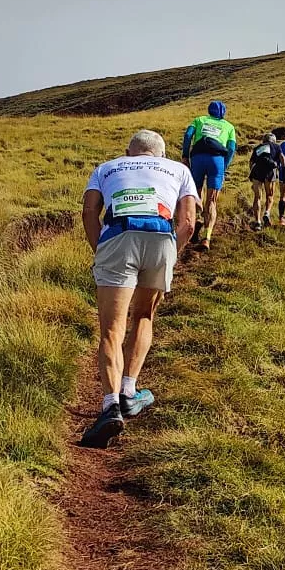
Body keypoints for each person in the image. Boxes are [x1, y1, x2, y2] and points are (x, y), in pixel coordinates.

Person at [79, 130, 197, 447]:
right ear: (160, 154)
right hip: (161, 236)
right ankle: (129, 391)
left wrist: (99, 249)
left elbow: (89, 211)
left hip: (118, 234)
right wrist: (172, 254)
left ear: (128, 153)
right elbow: (187, 222)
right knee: (144, 315)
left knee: (111, 331)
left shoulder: (106, 168)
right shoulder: (179, 170)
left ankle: (110, 408)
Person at [181, 99, 238, 248]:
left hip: (198, 157)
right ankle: (207, 237)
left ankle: (195, 222)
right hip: (217, 160)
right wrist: (224, 165)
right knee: (211, 200)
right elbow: (231, 148)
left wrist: (185, 156)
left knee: (195, 194)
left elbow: (188, 136)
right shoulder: (229, 127)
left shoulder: (199, 120)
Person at [249, 130, 282, 229]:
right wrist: (283, 170)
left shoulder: (258, 148)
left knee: (257, 197)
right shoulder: (276, 146)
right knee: (270, 195)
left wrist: (252, 176)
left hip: (257, 172)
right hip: (270, 172)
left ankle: (257, 222)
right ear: (274, 140)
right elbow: (282, 158)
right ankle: (267, 213)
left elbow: (251, 163)